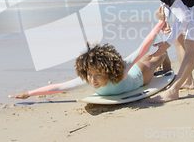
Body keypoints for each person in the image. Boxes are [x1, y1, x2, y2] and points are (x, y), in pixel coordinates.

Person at [9, 6, 171, 99]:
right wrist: (28, 93)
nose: (92, 80)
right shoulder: (87, 81)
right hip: (132, 73)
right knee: (147, 57)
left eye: (98, 75)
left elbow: (142, 47)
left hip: (139, 76)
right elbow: (59, 88)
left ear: (109, 72)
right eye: (90, 74)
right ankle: (161, 55)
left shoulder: (121, 70)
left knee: (152, 59)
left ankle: (164, 56)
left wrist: (159, 23)